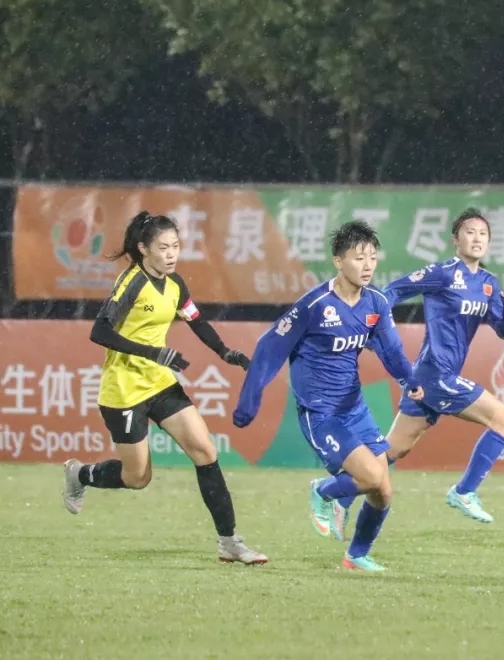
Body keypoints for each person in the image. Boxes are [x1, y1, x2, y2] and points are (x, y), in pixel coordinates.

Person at [61, 211, 266, 565]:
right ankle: (79, 474)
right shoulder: (132, 283)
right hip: (124, 390)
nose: (172, 254)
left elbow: (196, 320)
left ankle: (230, 542)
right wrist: (153, 352)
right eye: (163, 247)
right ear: (144, 249)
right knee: (137, 477)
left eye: (176, 246)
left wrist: (224, 352)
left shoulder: (175, 285)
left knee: (205, 451)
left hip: (160, 383)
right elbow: (100, 331)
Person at [233, 220, 422, 573]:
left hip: (355, 408)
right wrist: (250, 399)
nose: (367, 265)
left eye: (372, 257)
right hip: (321, 414)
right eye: (358, 258)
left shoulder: (376, 302)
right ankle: (322, 491)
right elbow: (270, 347)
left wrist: (408, 378)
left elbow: (391, 349)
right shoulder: (315, 305)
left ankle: (356, 556)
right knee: (369, 477)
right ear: (338, 261)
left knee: (383, 490)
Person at [363, 208, 504, 524]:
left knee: (393, 450)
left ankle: (331, 492)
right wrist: (372, 322)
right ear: (455, 240)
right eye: (470, 232)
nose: (477, 238)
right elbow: (394, 290)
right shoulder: (443, 272)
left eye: (483, 234)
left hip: (430, 375)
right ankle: (465, 492)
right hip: (437, 373)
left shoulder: (488, 283)